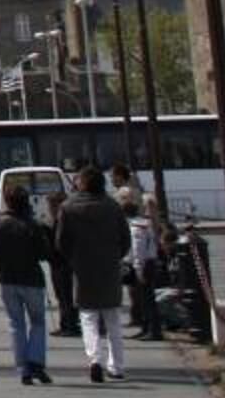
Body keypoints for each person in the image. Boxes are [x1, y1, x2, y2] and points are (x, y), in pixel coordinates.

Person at [56, 164, 132, 382]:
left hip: (82, 267)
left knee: (88, 317)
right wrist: (115, 256)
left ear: (81, 184)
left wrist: (73, 258)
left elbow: (61, 241)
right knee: (113, 319)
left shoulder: (68, 208)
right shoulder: (113, 206)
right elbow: (125, 239)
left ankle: (95, 359)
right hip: (109, 266)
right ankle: (116, 366)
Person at [0, 183, 55, 384]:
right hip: (32, 279)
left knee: (16, 324)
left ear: (7, 202)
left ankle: (22, 368)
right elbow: (44, 253)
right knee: (38, 322)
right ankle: (36, 361)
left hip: (7, 280)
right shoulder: (33, 225)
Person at [122, 189, 165, 340]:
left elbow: (138, 250)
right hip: (148, 263)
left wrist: (138, 269)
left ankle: (153, 330)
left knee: (147, 299)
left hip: (143, 265)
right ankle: (146, 328)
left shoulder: (136, 228)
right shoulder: (143, 224)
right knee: (144, 299)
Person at [43, 183, 80, 336]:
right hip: (57, 263)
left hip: (64, 262)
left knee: (66, 294)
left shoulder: (64, 220)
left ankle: (70, 324)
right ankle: (65, 323)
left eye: (52, 205)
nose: (50, 208)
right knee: (60, 294)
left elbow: (60, 242)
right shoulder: (54, 220)